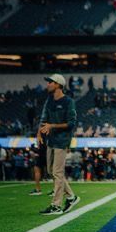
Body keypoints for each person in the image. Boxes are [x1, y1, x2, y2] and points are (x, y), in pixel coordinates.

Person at [37, 74, 80, 215]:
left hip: (62, 140)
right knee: (51, 171)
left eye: (50, 82)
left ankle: (56, 205)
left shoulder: (68, 102)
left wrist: (52, 126)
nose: (48, 84)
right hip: (51, 139)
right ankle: (72, 197)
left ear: (58, 84)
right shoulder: (49, 100)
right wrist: (39, 133)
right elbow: (43, 118)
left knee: (57, 172)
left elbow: (71, 123)